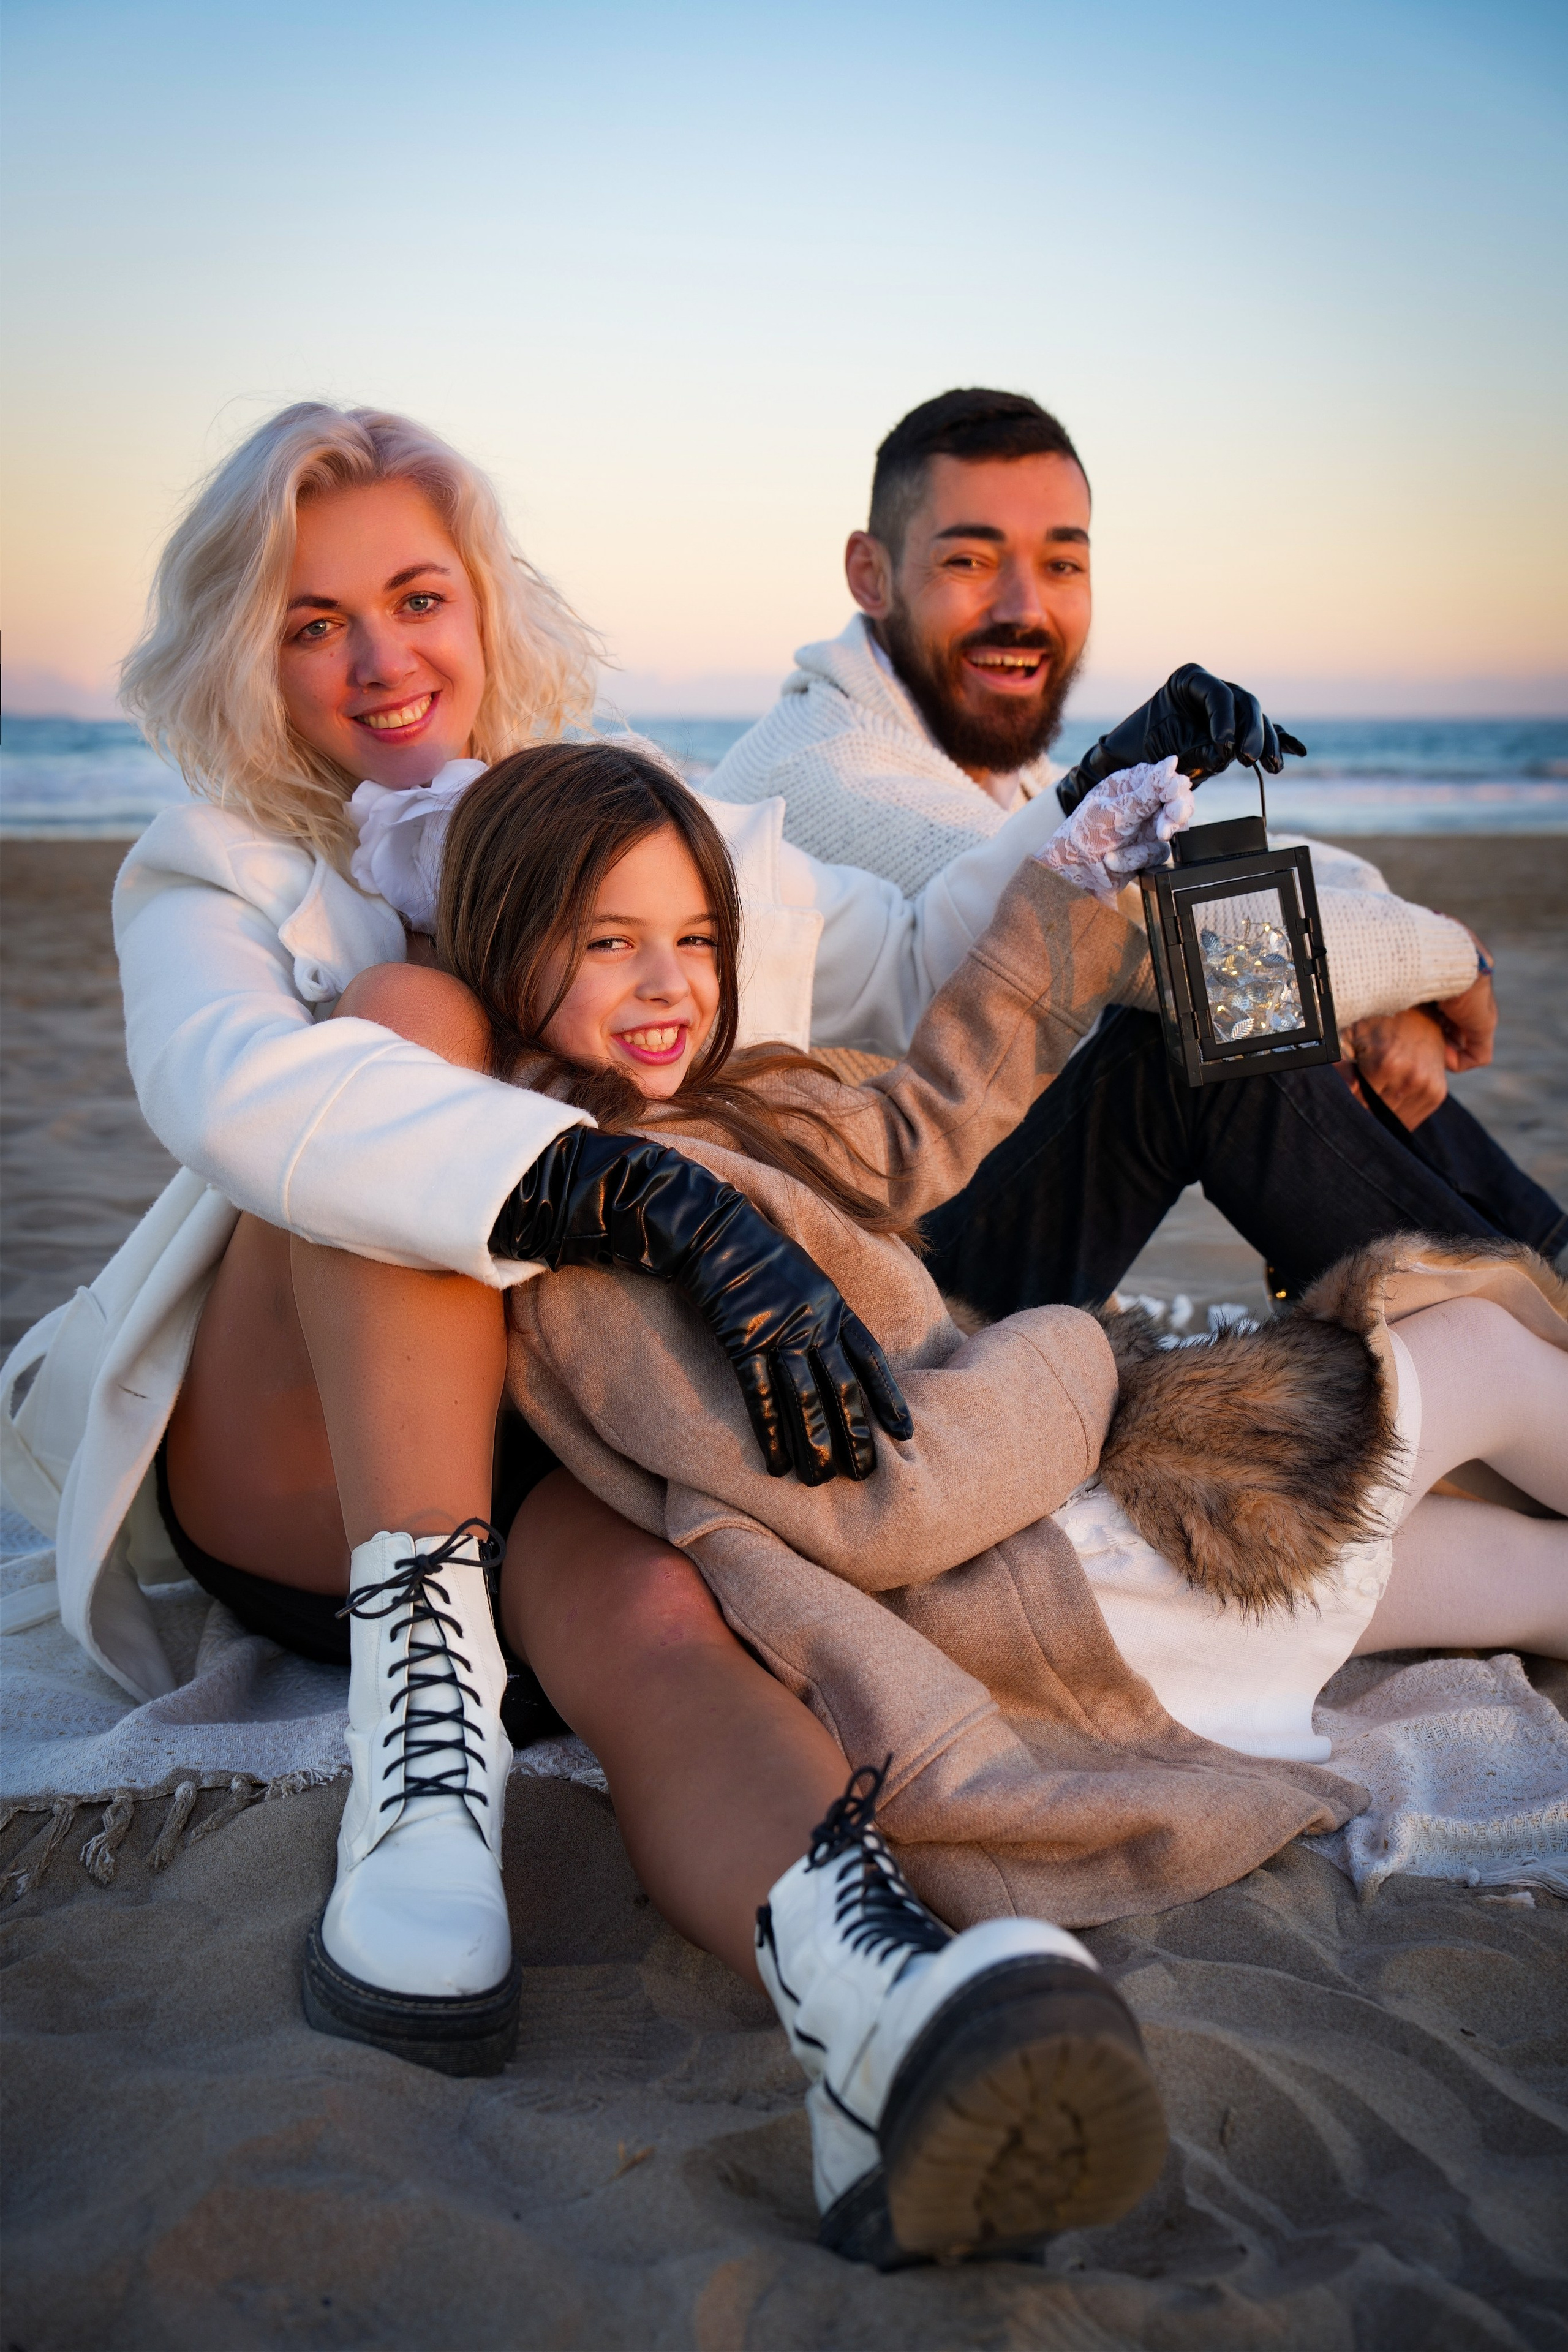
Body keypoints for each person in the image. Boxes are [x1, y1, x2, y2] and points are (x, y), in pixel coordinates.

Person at [327, 737, 1563, 2263]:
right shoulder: (594, 1259)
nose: (668, 984)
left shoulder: (732, 1110)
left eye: (696, 939)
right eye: (607, 944)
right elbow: (881, 1517)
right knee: (1476, 1357)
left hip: (1071, 1563)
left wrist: (1073, 880)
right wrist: (1073, 1359)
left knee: (1504, 1571)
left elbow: (925, 1119)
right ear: (505, 950)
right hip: (1039, 1588)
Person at [706, 387, 1566, 1311]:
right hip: (863, 1290)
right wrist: (1449, 962)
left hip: (949, 1200)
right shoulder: (826, 773)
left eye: (1062, 564)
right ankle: (1523, 1334)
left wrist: (1393, 981)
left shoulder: (989, 770)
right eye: (969, 560)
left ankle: (1540, 1291)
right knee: (1201, 1020)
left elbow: (1215, 865)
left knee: (1246, 993)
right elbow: (1156, 941)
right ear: (870, 575)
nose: (1024, 608)